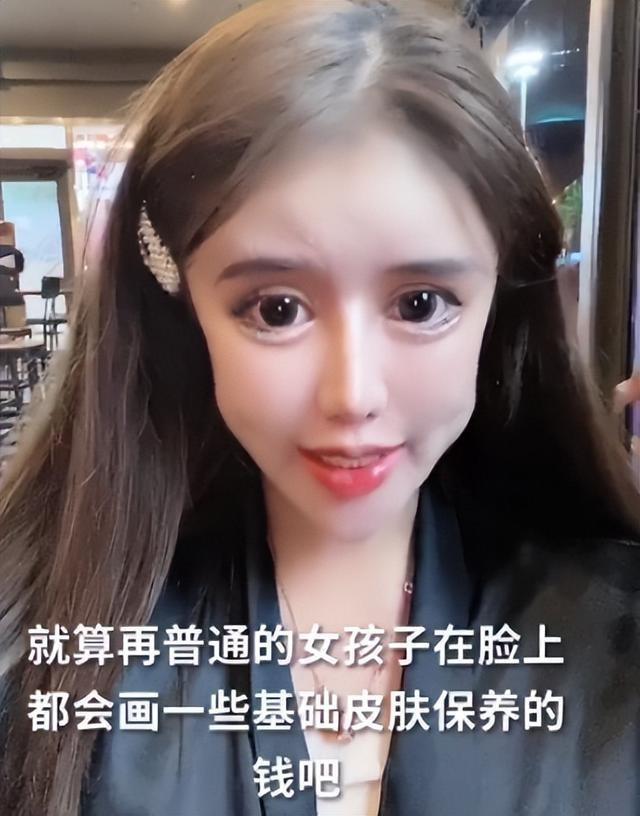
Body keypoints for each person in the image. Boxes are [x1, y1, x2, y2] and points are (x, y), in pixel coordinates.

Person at [1, 1, 640, 814]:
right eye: (276, 310)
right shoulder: (42, 653)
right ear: (185, 310)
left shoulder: (610, 638)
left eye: (420, 304)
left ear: (500, 302)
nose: (353, 395)